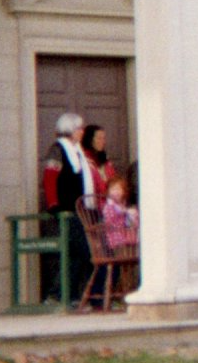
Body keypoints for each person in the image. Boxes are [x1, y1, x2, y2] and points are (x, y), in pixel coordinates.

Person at [42, 112, 98, 308]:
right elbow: (50, 178)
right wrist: (53, 205)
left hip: (81, 211)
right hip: (67, 211)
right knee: (82, 252)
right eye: (79, 128)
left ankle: (68, 295)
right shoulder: (58, 150)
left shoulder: (79, 152)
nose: (82, 132)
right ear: (69, 130)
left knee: (77, 254)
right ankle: (57, 294)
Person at [101, 175, 139, 253]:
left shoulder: (121, 205)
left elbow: (127, 220)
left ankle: (131, 259)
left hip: (122, 232)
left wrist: (130, 214)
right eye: (113, 189)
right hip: (115, 234)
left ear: (123, 191)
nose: (116, 192)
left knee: (135, 235)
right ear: (108, 192)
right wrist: (124, 211)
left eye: (119, 189)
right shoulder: (109, 206)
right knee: (127, 239)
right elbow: (110, 218)